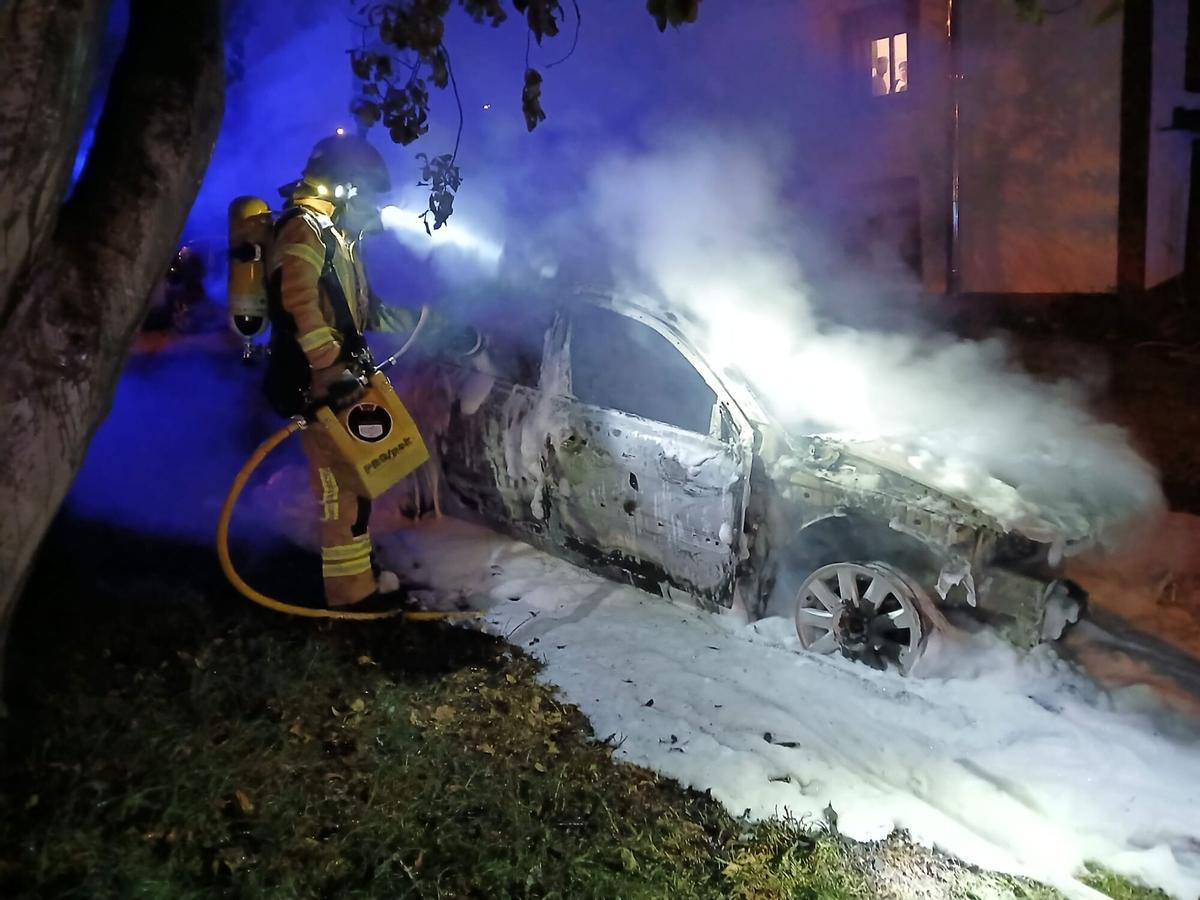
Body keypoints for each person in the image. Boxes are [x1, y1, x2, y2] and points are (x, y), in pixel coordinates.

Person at [265, 132, 482, 612]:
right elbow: (297, 301)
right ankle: (349, 596)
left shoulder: (335, 236)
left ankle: (358, 585)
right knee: (338, 491)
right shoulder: (304, 230)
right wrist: (327, 366)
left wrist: (434, 324)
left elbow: (364, 311)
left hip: (339, 379)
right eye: (367, 193)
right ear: (346, 186)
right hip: (319, 383)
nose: (374, 207)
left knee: (355, 486)